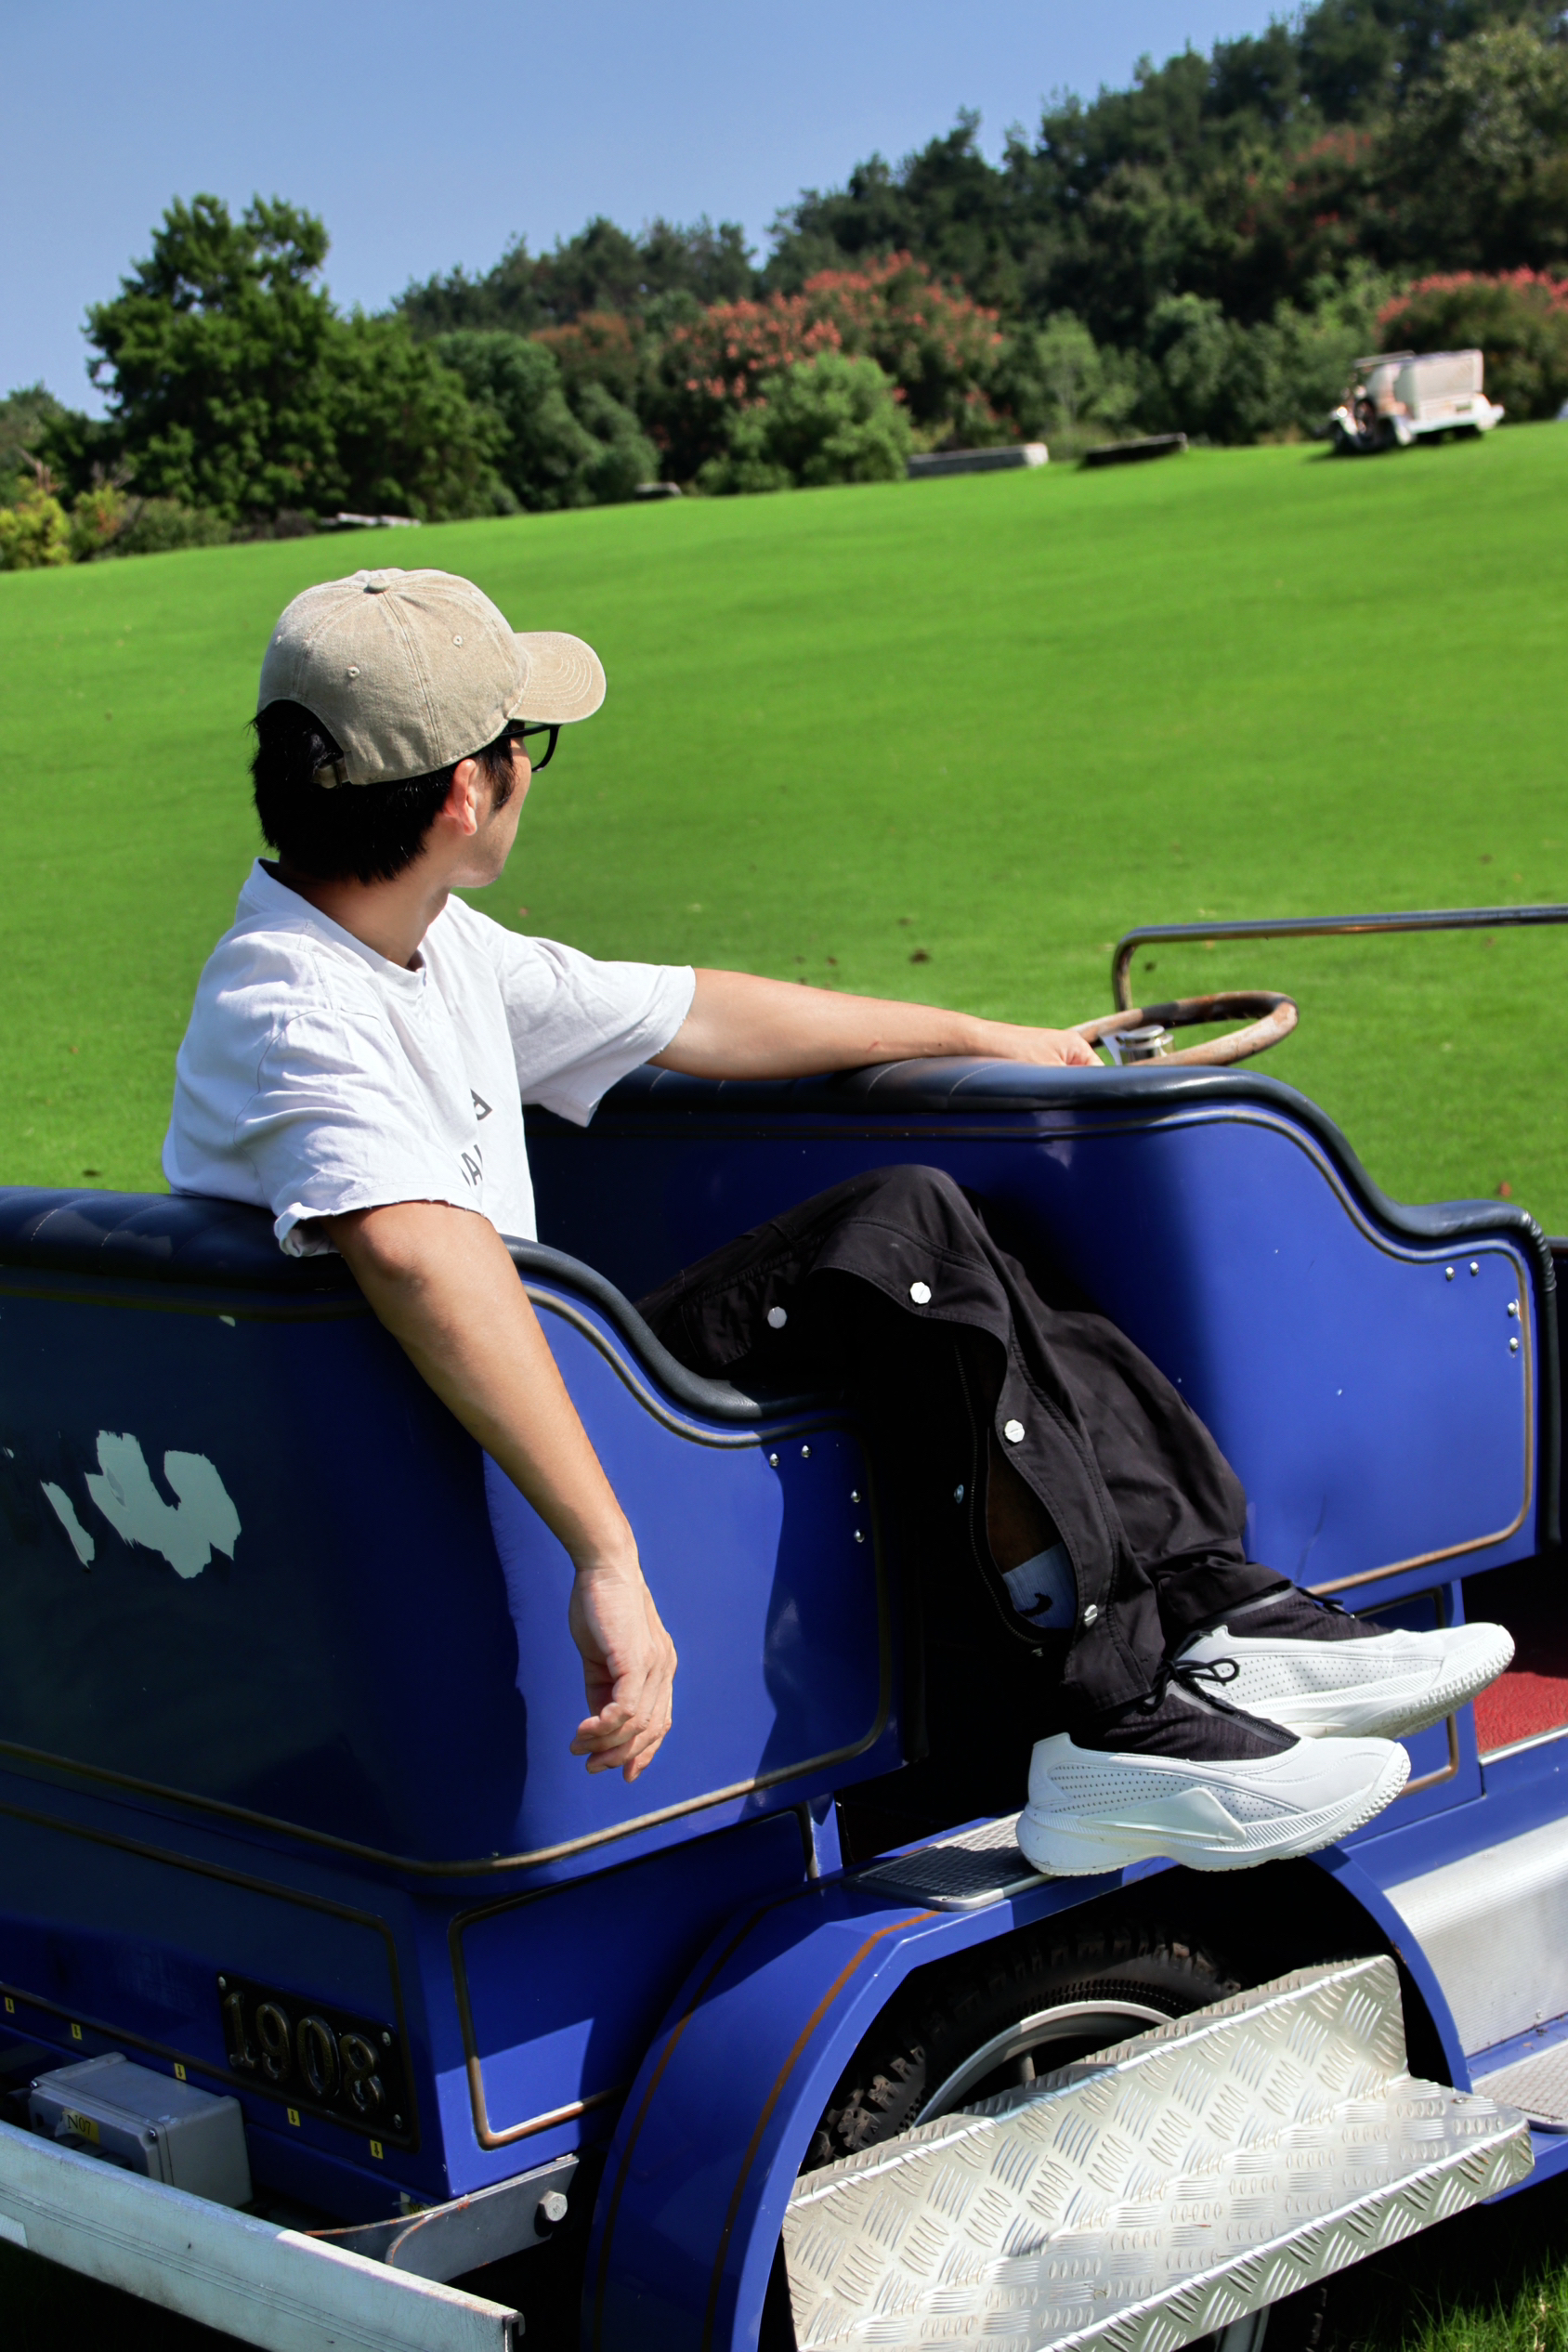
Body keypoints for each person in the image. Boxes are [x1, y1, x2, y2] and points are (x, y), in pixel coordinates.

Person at [164, 568, 1512, 1878]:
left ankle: (1209, 1612)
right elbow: (419, 1254)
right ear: (470, 789)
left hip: (479, 1411)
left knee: (961, 1239)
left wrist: (985, 1037)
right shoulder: (295, 1006)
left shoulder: (427, 940)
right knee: (905, 1235)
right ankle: (1109, 1723)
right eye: (529, 743)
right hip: (444, 1458)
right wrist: (608, 1555)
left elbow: (699, 1016)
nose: (532, 767)